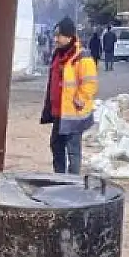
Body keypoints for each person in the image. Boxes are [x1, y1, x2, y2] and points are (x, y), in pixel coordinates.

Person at [40, 16, 98, 175]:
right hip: (59, 112)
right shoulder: (58, 55)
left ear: (69, 36)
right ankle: (59, 178)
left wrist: (79, 98)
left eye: (59, 35)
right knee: (56, 145)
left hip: (73, 113)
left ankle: (73, 184)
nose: (55, 39)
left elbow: (90, 83)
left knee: (73, 151)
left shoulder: (82, 57)